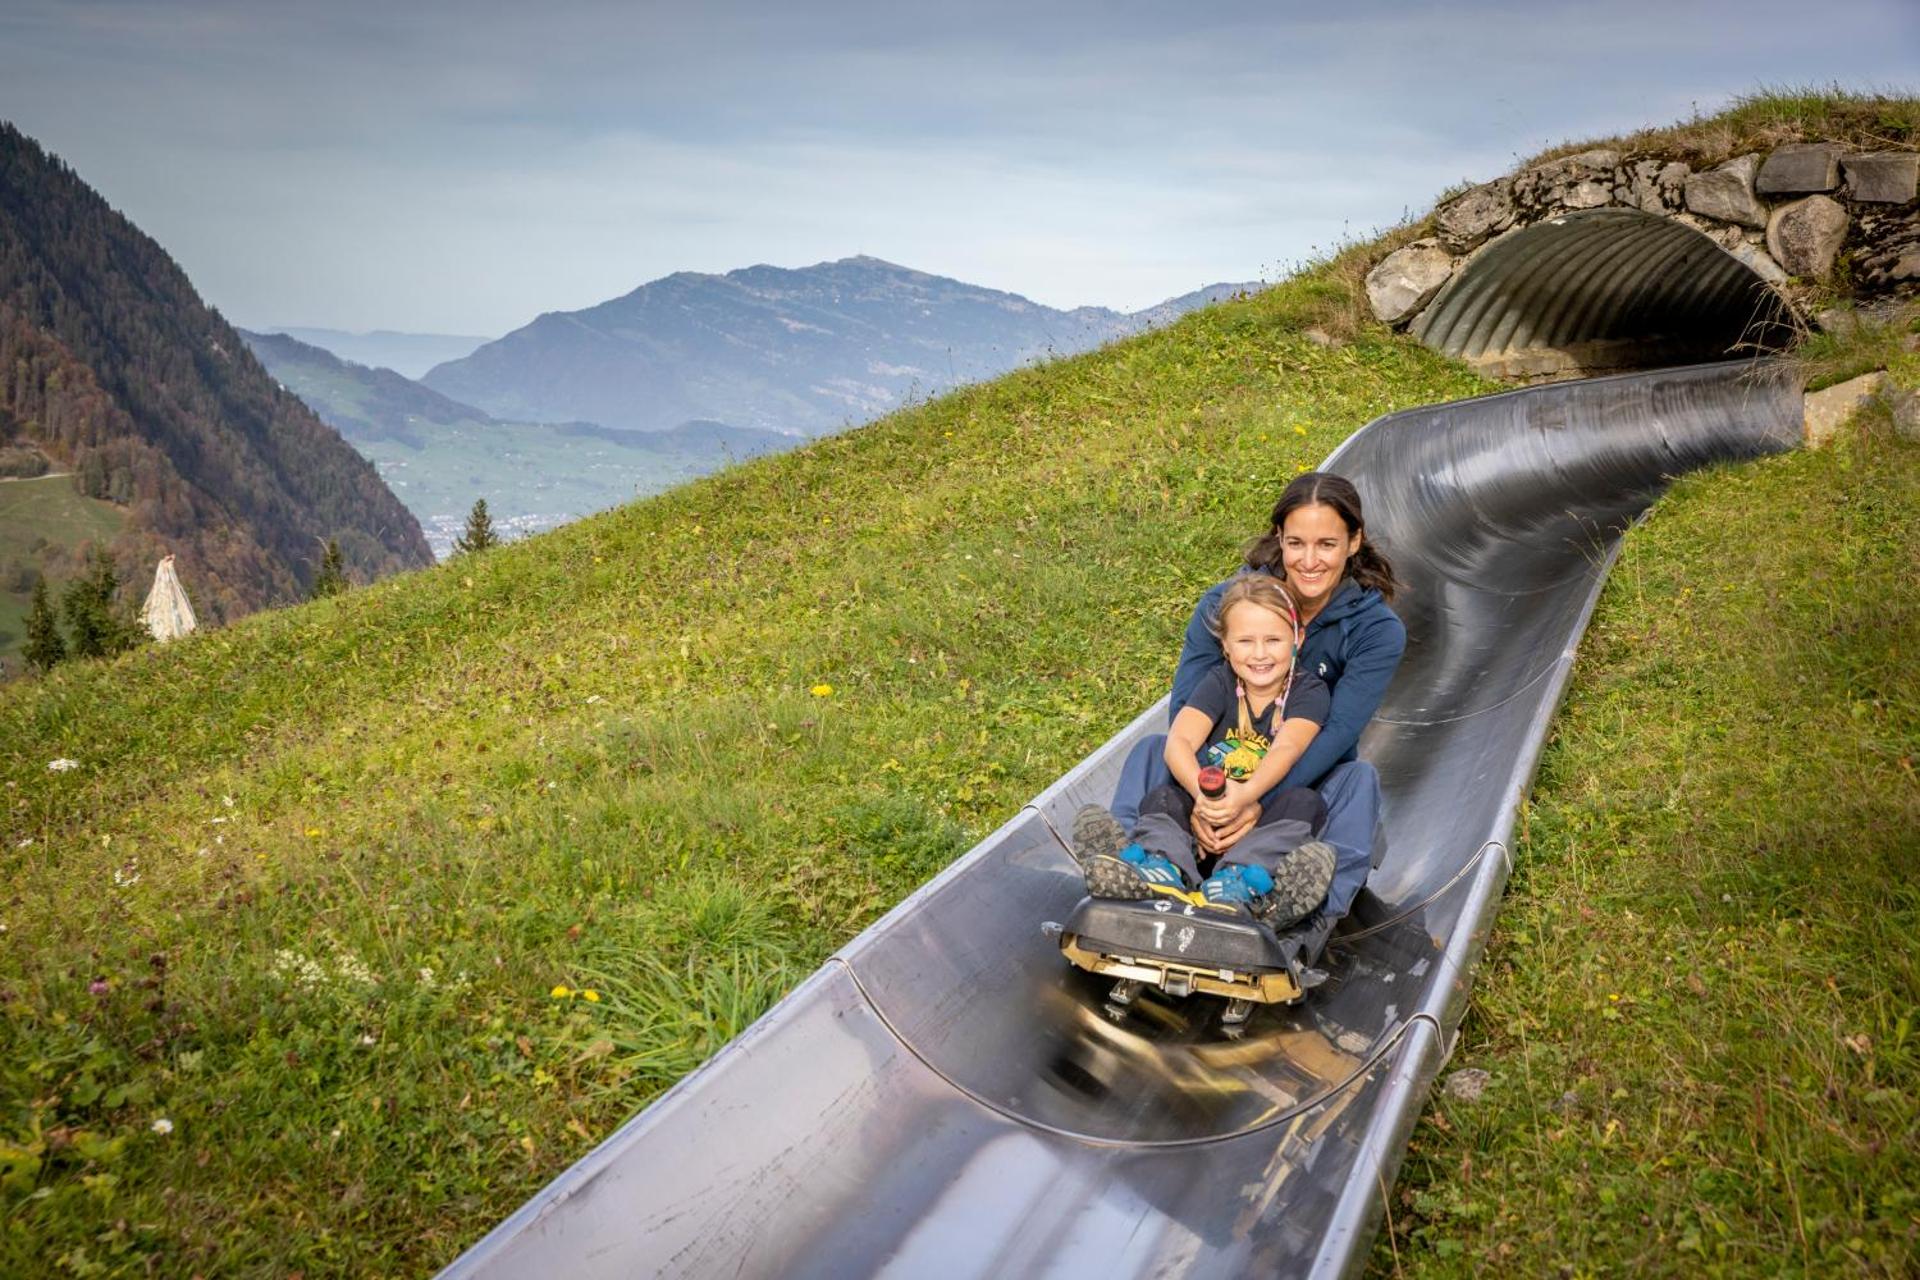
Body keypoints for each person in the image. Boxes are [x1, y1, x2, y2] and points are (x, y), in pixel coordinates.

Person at [1107, 471, 1405, 933]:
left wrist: (1254, 804)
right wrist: (1210, 803)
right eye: (1296, 543)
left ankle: (1305, 911)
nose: (1309, 560)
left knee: (1359, 779)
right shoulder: (1224, 607)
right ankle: (1132, 865)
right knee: (1151, 750)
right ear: (1279, 541)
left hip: (1301, 790)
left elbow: (1335, 735)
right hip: (1215, 782)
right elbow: (1187, 708)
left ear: (1353, 542)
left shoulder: (1375, 631)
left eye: (1326, 544)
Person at [1072, 574, 1339, 928]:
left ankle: (1243, 885)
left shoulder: (1309, 692)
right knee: (1166, 796)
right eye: (1245, 641)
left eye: (1273, 640)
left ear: (1297, 639)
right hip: (1203, 823)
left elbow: (1287, 749)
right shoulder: (1219, 682)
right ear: (1226, 645)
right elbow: (1179, 741)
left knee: (1305, 804)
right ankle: (1157, 869)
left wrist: (1244, 797)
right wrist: (1202, 796)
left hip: (1260, 816)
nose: (1260, 654)